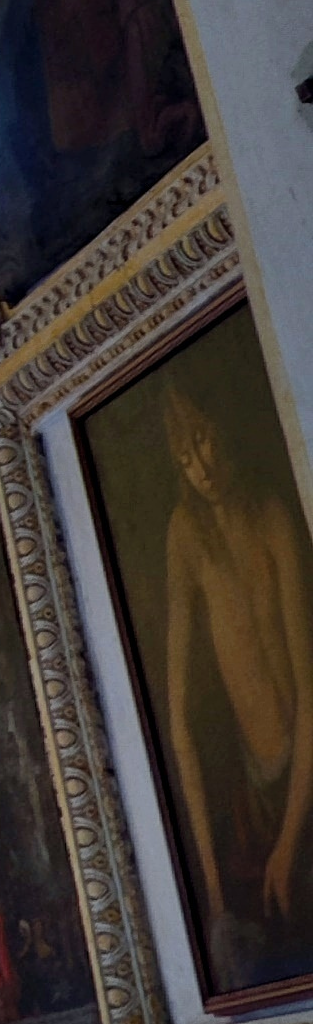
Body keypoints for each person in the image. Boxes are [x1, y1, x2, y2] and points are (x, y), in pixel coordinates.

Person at [158, 377, 313, 979]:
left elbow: (310, 686)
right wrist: (215, 894)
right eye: (184, 457)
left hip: (303, 769)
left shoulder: (271, 516)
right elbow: (178, 722)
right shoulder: (186, 536)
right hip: (251, 789)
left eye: (204, 442)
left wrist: (291, 836)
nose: (201, 467)